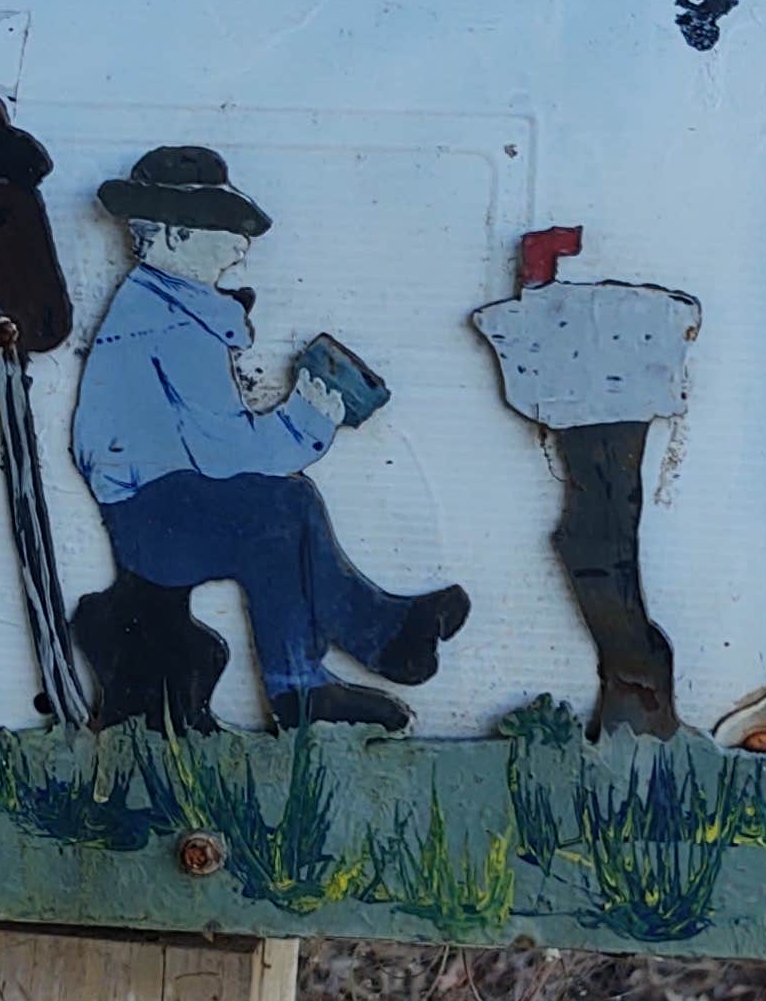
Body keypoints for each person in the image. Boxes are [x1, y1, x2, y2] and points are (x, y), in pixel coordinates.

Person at [67, 145, 467, 731]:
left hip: (162, 501)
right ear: (173, 236)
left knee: (281, 511)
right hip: (151, 518)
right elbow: (226, 450)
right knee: (280, 506)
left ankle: (340, 662)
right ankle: (343, 661)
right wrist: (309, 419)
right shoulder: (168, 323)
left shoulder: (168, 307)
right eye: (222, 228)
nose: (240, 244)